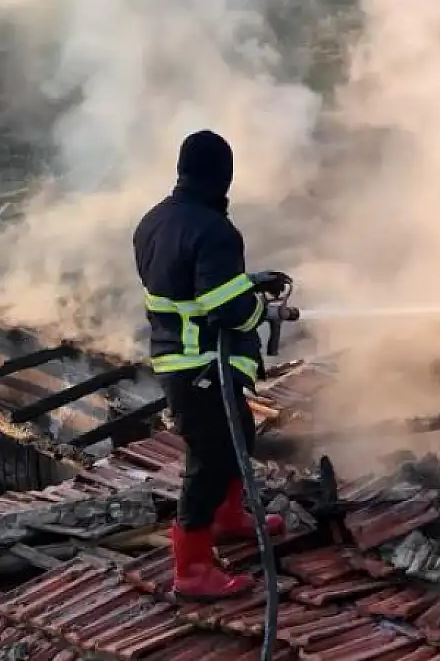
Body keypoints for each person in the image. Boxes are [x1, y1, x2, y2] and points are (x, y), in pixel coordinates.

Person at [133, 129, 292, 602]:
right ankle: (192, 567)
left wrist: (247, 282)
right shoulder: (214, 229)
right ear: (222, 176)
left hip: (177, 359)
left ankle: (228, 518)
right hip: (200, 363)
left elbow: (191, 281)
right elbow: (225, 308)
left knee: (239, 430)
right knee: (210, 458)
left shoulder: (155, 221)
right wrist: (264, 311)